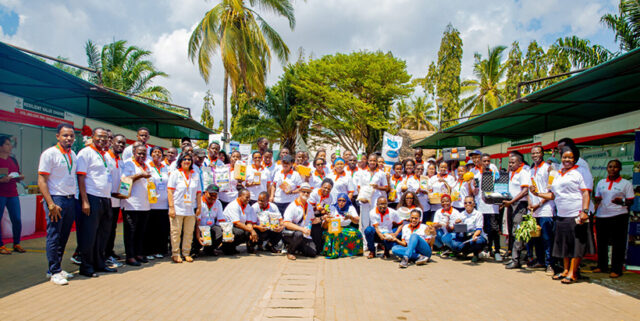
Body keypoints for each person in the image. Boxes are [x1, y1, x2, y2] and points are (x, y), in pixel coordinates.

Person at [530, 145, 594, 284]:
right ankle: (565, 270)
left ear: (575, 159)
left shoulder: (580, 172)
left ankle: (573, 272)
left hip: (576, 215)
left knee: (576, 246)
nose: (567, 160)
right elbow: (553, 195)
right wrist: (537, 194)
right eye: (564, 157)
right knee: (564, 245)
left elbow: (585, 192)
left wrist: (585, 211)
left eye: (570, 157)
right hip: (561, 215)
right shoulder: (557, 173)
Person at [38, 123, 78, 285]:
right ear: (58, 136)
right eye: (65, 135)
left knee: (63, 236)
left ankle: (56, 268)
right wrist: (50, 203)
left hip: (70, 199)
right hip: (56, 199)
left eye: (71, 136)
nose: (68, 138)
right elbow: (42, 180)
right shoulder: (50, 154)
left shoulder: (73, 155)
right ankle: (54, 271)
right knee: (54, 236)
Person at [76, 127, 116, 276]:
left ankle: (99, 263)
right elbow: (80, 178)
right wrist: (85, 201)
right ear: (92, 137)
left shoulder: (105, 155)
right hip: (92, 197)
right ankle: (86, 267)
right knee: (89, 234)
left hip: (105, 198)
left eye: (105, 137)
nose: (102, 139)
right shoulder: (85, 153)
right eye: (99, 136)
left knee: (103, 234)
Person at [594, 159, 634, 278]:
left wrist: (621, 201)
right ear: (607, 168)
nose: (612, 169)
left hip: (618, 216)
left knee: (618, 244)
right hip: (602, 215)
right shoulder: (601, 182)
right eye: (610, 166)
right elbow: (597, 197)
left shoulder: (626, 184)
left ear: (620, 169)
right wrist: (596, 205)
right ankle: (602, 266)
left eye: (615, 167)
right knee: (602, 243)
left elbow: (630, 201)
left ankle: (616, 269)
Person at [121, 145, 153, 266]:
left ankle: (139, 253)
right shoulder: (128, 164)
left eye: (144, 154)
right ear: (134, 152)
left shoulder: (147, 165)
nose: (141, 156)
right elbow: (125, 179)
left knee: (141, 231)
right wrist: (140, 175)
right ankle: (130, 256)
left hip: (145, 204)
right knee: (131, 231)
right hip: (131, 204)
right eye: (139, 153)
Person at [167, 153, 202, 263]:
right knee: (176, 232)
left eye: (189, 159)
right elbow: (170, 191)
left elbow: (198, 193)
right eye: (184, 159)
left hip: (190, 208)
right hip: (177, 208)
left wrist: (199, 207)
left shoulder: (195, 174)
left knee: (188, 232)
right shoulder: (175, 174)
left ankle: (186, 253)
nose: (187, 161)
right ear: (180, 161)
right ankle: (176, 253)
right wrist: (171, 207)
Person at [469, 152, 502, 261]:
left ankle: (497, 251)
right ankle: (484, 250)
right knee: (483, 229)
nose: (487, 163)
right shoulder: (475, 174)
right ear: (480, 162)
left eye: (488, 161)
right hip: (481, 206)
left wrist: (500, 200)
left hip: (493, 206)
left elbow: (500, 185)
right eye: (484, 161)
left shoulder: (494, 170)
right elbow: (474, 191)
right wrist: (474, 189)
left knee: (494, 229)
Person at [528, 146, 556, 273]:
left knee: (547, 238)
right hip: (534, 210)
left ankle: (550, 263)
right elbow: (530, 189)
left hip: (546, 209)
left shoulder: (548, 169)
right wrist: (530, 204)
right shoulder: (531, 169)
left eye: (538, 152)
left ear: (543, 153)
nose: (535, 155)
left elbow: (550, 191)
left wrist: (539, 204)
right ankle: (540, 261)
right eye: (533, 153)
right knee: (536, 238)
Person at [504, 152, 531, 270]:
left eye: (513, 162)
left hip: (519, 205)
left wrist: (512, 201)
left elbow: (525, 191)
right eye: (509, 162)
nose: (510, 164)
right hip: (511, 204)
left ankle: (517, 260)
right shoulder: (512, 173)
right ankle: (514, 257)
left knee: (517, 232)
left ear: (520, 162)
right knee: (512, 232)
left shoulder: (523, 173)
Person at [0, 135, 25, 254]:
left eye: (10, 144)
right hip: (1, 194)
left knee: (17, 219)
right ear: (1, 146)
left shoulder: (13, 160)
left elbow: (17, 174)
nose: (10, 146)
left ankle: (17, 243)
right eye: (7, 144)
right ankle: (0, 245)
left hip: (13, 193)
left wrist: (19, 177)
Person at [357, 154, 389, 247]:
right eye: (370, 160)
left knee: (374, 221)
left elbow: (386, 188)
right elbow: (359, 187)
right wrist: (361, 197)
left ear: (376, 162)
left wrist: (378, 187)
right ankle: (365, 244)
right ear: (368, 161)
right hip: (365, 200)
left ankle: (374, 244)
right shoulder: (362, 173)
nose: (372, 162)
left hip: (375, 200)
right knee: (365, 222)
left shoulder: (381, 174)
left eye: (374, 161)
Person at [104, 134, 126, 267]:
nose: (121, 145)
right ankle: (104, 255)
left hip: (117, 202)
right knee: (105, 230)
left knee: (112, 230)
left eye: (123, 144)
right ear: (111, 142)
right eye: (118, 142)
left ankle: (109, 253)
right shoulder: (106, 158)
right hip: (107, 200)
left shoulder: (121, 161)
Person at [144, 146, 170, 260]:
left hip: (163, 204)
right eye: (155, 152)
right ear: (151, 154)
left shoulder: (166, 168)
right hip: (151, 204)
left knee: (161, 229)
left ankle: (160, 250)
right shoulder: (147, 166)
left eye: (159, 152)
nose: (157, 154)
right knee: (150, 229)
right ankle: (149, 251)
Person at [443, 196, 487, 262]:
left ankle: (476, 254)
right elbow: (457, 231)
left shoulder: (478, 214)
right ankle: (464, 251)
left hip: (475, 235)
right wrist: (456, 225)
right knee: (449, 240)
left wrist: (474, 235)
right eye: (465, 203)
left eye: (470, 202)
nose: (467, 205)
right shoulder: (461, 214)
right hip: (464, 236)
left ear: (474, 204)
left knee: (478, 241)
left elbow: (479, 229)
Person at [322, 193, 363, 259]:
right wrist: (327, 219)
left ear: (347, 201)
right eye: (339, 200)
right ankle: (332, 252)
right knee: (334, 233)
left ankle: (352, 252)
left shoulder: (350, 208)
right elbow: (324, 226)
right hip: (334, 228)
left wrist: (350, 217)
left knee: (357, 233)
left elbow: (357, 221)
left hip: (346, 227)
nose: (341, 202)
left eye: (343, 201)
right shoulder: (332, 208)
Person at [282, 183, 317, 260]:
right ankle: (290, 251)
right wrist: (302, 229)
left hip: (305, 234)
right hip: (293, 233)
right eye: (303, 191)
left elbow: (312, 220)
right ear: (299, 192)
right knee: (299, 234)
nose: (306, 194)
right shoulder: (293, 206)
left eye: (308, 192)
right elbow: (286, 223)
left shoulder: (310, 206)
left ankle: (297, 246)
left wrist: (323, 219)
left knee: (313, 253)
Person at [221, 188, 259, 254]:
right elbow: (237, 223)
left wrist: (251, 231)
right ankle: (226, 247)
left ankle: (250, 247)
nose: (248, 199)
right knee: (240, 232)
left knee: (251, 231)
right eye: (246, 197)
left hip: (240, 225)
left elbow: (249, 221)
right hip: (228, 227)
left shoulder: (247, 205)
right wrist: (251, 230)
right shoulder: (234, 205)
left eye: (249, 197)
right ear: (240, 196)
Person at [196, 184, 224, 256]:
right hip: (198, 227)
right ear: (205, 192)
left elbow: (220, 219)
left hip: (211, 227)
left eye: (215, 195)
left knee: (219, 232)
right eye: (211, 194)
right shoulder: (199, 202)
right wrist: (198, 235)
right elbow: (197, 220)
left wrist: (226, 231)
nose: (213, 197)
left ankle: (209, 250)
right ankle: (195, 249)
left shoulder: (218, 203)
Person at [308, 178, 334, 251]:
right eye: (325, 187)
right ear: (321, 186)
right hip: (310, 214)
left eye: (329, 189)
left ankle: (322, 248)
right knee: (315, 230)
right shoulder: (314, 193)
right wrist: (317, 208)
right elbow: (309, 208)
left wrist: (325, 211)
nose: (326, 190)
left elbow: (326, 208)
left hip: (319, 215)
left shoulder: (330, 197)